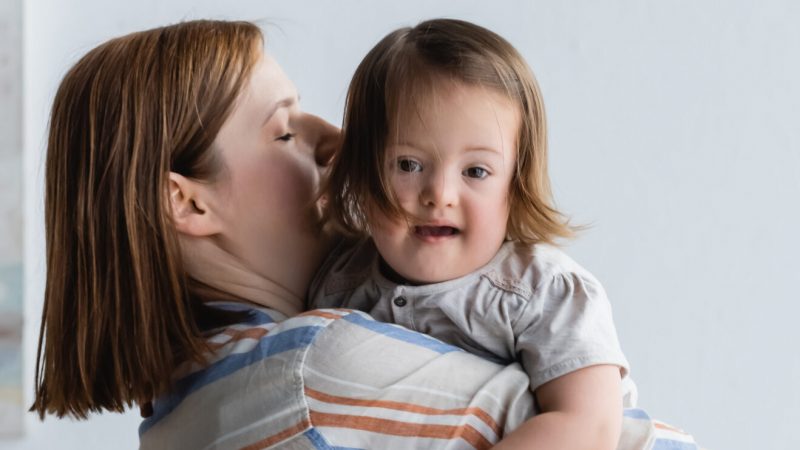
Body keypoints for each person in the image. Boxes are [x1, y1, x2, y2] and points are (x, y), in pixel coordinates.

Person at [32, 18, 699, 450]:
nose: (334, 144)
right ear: (189, 203)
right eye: (286, 129)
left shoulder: (182, 412)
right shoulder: (308, 372)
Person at [309, 18, 628, 449]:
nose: (439, 194)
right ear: (364, 175)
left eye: (476, 171)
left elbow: (588, 427)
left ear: (514, 188)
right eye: (408, 164)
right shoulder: (338, 284)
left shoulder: (544, 293)